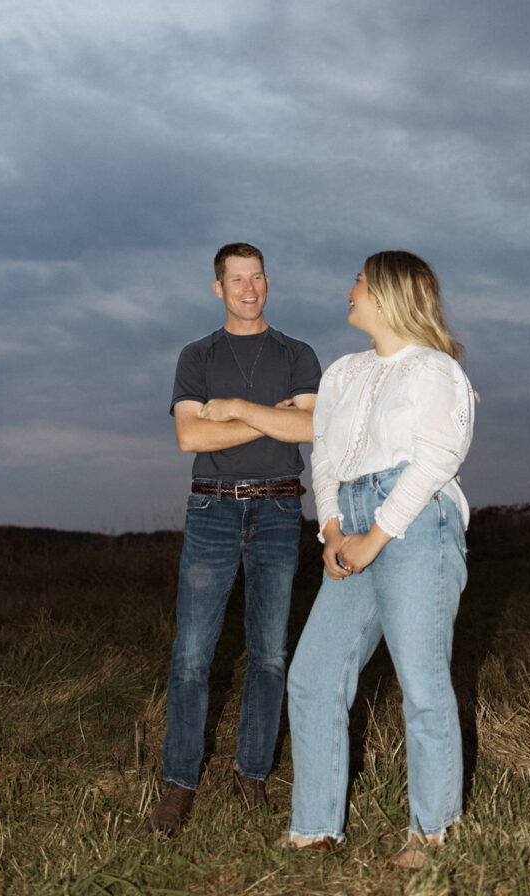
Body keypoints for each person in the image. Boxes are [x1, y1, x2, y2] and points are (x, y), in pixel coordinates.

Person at [283, 250, 475, 869]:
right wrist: (334, 529)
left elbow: (436, 460)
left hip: (417, 522)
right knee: (312, 676)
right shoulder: (341, 372)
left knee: (421, 682)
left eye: (359, 283)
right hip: (352, 523)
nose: (349, 290)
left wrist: (378, 533)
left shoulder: (434, 370)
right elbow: (327, 458)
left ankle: (432, 832)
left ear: (388, 294)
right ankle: (315, 830)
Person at [151, 242, 321, 835]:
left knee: (270, 653)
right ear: (218, 288)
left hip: (279, 508)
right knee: (192, 655)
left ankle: (252, 774)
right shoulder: (196, 355)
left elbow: (307, 426)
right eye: (236, 280)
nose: (248, 289)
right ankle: (179, 784)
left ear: (267, 283)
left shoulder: (298, 353)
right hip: (212, 512)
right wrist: (264, 420)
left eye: (257, 278)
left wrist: (233, 410)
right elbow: (188, 440)